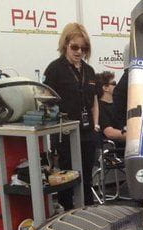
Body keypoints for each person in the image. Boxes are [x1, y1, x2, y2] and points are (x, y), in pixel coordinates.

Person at [43, 23, 99, 208]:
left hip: (87, 133)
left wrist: (96, 125)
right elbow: (46, 101)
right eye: (75, 47)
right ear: (65, 44)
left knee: (87, 178)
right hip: (65, 134)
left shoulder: (89, 71)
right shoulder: (55, 69)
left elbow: (94, 101)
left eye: (83, 48)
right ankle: (66, 212)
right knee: (66, 179)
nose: (79, 52)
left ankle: (88, 212)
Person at [95, 71, 125, 144]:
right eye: (114, 83)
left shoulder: (118, 103)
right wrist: (130, 136)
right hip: (115, 148)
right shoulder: (99, 108)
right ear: (105, 88)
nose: (117, 85)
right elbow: (109, 132)